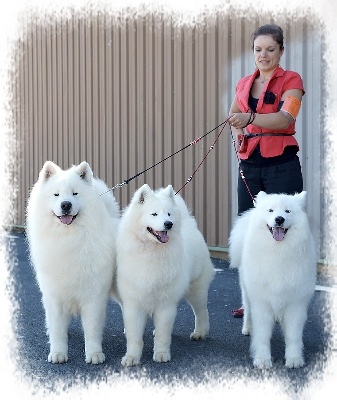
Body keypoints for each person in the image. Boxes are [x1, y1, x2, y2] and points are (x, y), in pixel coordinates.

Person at [228, 24, 305, 318]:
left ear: (281, 51)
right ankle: (251, 302)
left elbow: (286, 118)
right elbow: (234, 115)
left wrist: (248, 117)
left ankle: (284, 304)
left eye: (270, 49)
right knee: (251, 233)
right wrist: (239, 124)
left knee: (286, 233)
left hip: (281, 163)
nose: (264, 55)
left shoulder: (292, 80)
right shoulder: (244, 83)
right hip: (250, 164)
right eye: (258, 50)